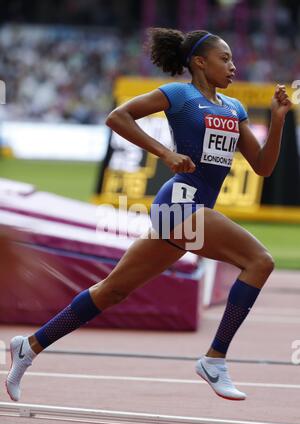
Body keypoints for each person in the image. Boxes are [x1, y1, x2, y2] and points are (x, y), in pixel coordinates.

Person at [6, 28, 291, 402]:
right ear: (199, 62)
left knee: (113, 290)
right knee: (259, 260)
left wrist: (279, 119)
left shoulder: (234, 109)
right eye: (225, 58)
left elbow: (264, 168)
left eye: (233, 59)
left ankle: (29, 345)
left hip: (195, 209)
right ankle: (214, 358)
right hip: (179, 203)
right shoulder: (180, 95)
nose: (233, 66)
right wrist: (165, 153)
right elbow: (118, 117)